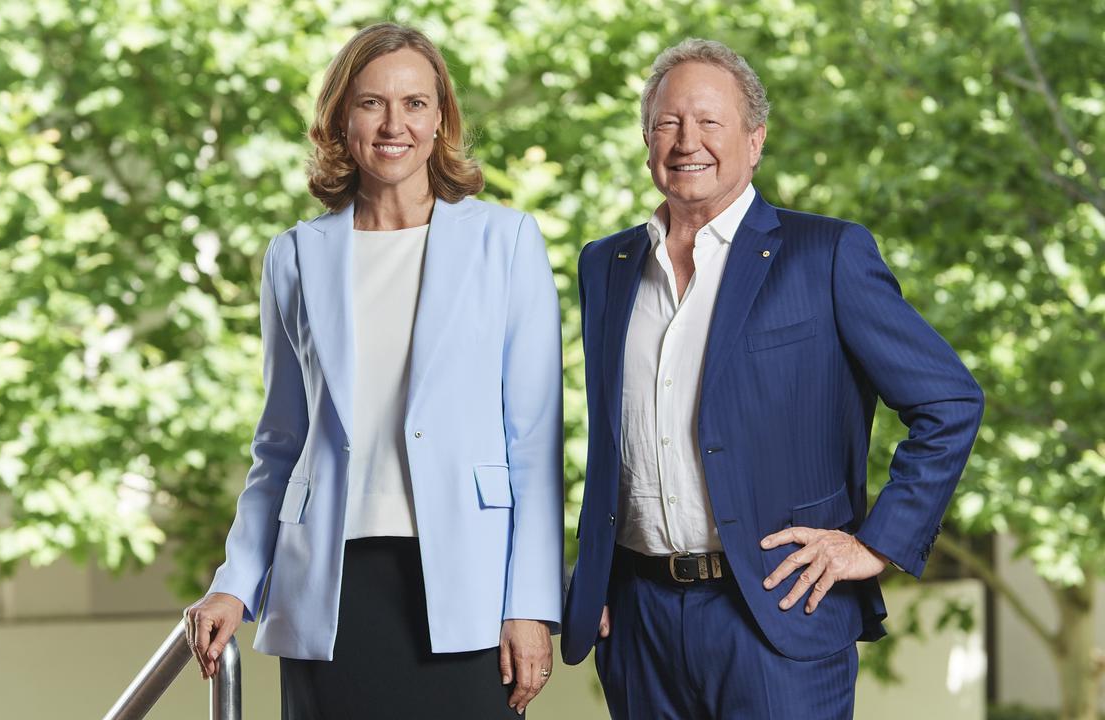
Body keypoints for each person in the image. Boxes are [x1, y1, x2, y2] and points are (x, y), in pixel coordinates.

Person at [562, 38, 984, 718]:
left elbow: (951, 401)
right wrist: (594, 585)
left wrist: (875, 543)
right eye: (668, 122)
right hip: (637, 624)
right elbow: (617, 443)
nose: (686, 140)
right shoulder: (604, 266)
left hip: (775, 619)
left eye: (709, 121)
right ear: (646, 140)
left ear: (754, 140)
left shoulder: (826, 255)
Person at [182, 23, 564, 719]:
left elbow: (534, 445)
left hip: (467, 586)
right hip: (327, 589)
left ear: (442, 118)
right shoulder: (295, 257)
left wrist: (531, 603)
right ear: (340, 120)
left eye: (416, 104)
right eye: (371, 104)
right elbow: (280, 445)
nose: (395, 124)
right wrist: (236, 581)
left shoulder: (505, 244)